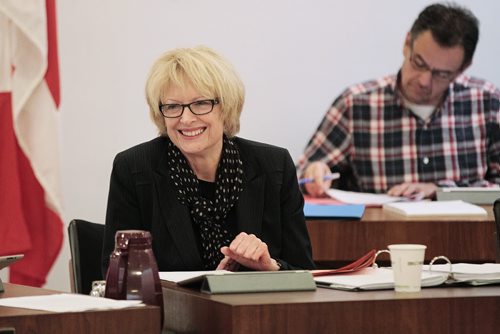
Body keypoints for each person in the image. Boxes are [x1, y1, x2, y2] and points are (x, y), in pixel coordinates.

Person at [101, 46, 315, 275]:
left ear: (227, 106)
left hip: (255, 309)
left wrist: (270, 267)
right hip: (172, 309)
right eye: (172, 106)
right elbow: (118, 276)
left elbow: (304, 272)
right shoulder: (134, 169)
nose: (186, 118)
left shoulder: (274, 167)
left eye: (201, 103)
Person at [297, 3, 500, 199]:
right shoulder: (356, 104)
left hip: (466, 233)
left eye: (442, 74)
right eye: (419, 63)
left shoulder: (487, 102)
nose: (424, 81)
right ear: (406, 43)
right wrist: (313, 175)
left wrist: (441, 191)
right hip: (378, 233)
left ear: (463, 68)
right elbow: (298, 178)